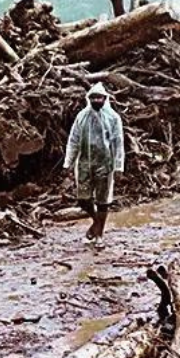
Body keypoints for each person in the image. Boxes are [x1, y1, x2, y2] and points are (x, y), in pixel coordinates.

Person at [64, 83, 125, 246]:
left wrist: (119, 166)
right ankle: (95, 222)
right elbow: (74, 140)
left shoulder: (113, 118)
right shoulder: (82, 117)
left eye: (100, 98)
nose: (97, 100)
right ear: (89, 99)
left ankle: (99, 235)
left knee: (103, 200)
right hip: (84, 163)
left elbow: (118, 143)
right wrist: (68, 162)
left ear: (105, 99)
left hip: (105, 163)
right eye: (94, 98)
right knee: (83, 199)